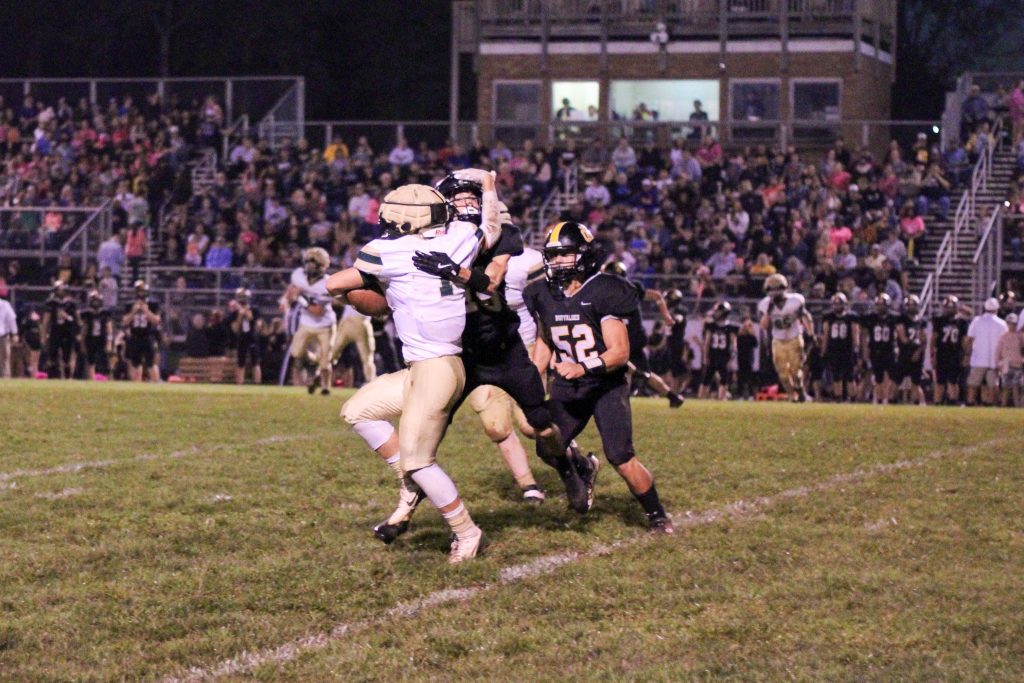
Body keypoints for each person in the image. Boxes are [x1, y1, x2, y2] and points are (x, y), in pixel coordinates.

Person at [328, 177, 502, 563]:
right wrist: (489, 188)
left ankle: (467, 532)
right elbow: (491, 228)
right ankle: (411, 485)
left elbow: (334, 284)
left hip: (435, 369)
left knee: (420, 460)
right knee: (357, 411)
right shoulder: (458, 235)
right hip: (431, 368)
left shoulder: (386, 252)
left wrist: (373, 294)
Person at [525, 221, 674, 534]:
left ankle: (657, 516)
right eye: (554, 255)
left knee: (621, 457)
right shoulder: (542, 294)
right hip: (569, 386)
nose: (558, 261)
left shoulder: (605, 289)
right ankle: (582, 466)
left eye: (565, 253)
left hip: (606, 384)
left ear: (583, 254)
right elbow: (545, 341)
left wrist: (583, 366)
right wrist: (527, 375)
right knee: (546, 445)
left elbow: (620, 351)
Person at [602, 262, 685, 407]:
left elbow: (657, 296)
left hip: (625, 340)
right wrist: (666, 316)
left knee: (617, 371)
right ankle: (672, 396)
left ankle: (622, 398)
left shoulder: (610, 293)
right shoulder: (631, 288)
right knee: (643, 373)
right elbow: (657, 296)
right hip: (631, 338)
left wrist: (666, 317)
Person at [282, 247, 337, 395]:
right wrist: (285, 299)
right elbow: (291, 291)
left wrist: (300, 297)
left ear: (322, 266)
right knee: (296, 353)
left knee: (325, 360)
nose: (309, 267)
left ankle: (326, 387)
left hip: (325, 325)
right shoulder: (298, 275)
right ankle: (313, 362)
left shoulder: (328, 283)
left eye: (314, 264)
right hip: (305, 323)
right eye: (308, 263)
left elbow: (317, 311)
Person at [757, 273, 814, 402]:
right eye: (772, 289)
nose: (775, 292)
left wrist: (811, 334)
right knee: (782, 373)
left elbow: (805, 317)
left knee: (795, 371)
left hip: (794, 337)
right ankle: (791, 395)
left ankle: (800, 389)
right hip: (777, 340)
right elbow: (763, 326)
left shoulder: (795, 301)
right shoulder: (765, 304)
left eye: (778, 288)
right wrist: (769, 311)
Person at [964, 297, 1008, 406]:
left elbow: (969, 339)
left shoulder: (977, 321)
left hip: (978, 359)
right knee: (993, 385)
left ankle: (970, 404)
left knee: (973, 384)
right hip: (994, 360)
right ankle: (990, 406)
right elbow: (1005, 343)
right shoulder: (1002, 323)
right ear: (997, 308)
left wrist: (966, 354)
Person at [820, 292, 860, 402]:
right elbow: (825, 334)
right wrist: (823, 351)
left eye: (839, 304)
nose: (837, 306)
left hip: (847, 350)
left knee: (850, 376)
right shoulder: (828, 317)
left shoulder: (851, 317)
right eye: (835, 304)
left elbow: (855, 333)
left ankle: (852, 398)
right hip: (833, 349)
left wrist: (856, 348)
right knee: (836, 376)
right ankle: (839, 398)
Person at [930, 295, 969, 406]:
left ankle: (952, 402)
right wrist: (932, 355)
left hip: (955, 354)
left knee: (953, 381)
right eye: (948, 307)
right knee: (940, 381)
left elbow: (964, 341)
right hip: (942, 353)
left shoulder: (962, 322)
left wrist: (966, 355)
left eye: (952, 307)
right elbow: (934, 339)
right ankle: (937, 402)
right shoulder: (939, 320)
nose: (949, 309)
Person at [861, 293, 898, 405]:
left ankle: (888, 397)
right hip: (875, 349)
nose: (880, 307)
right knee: (878, 376)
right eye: (879, 304)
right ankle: (879, 398)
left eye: (882, 304)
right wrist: (865, 350)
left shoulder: (894, 317)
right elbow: (865, 334)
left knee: (891, 375)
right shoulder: (871, 318)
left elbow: (897, 333)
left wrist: (897, 347)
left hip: (889, 349)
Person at [329, 301, 376, 388]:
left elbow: (336, 300)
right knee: (367, 358)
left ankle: (319, 374)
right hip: (356, 321)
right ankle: (370, 382)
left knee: (332, 353)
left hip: (353, 321)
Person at [122, 280, 161, 382]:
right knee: (135, 364)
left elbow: (156, 320)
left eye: (143, 291)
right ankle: (137, 386)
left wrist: (146, 310)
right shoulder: (130, 304)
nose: (141, 293)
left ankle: (156, 385)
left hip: (148, 336)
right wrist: (134, 311)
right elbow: (125, 322)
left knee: (151, 363)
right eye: (139, 291)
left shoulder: (153, 303)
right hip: (135, 336)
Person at [41, 281, 80, 379]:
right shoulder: (51, 302)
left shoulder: (71, 303)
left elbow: (77, 320)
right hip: (55, 331)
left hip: (68, 331)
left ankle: (68, 378)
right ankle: (51, 377)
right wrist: (43, 335)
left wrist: (68, 318)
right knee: (52, 357)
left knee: (67, 358)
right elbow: (46, 320)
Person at [894, 294, 927, 406]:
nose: (912, 308)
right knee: (896, 381)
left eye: (914, 305)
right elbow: (903, 338)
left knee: (916, 382)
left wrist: (918, 351)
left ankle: (917, 404)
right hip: (904, 353)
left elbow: (924, 339)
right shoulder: (901, 319)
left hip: (917, 354)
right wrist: (914, 347)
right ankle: (889, 402)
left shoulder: (921, 320)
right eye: (910, 305)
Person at [699, 301, 737, 400]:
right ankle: (701, 398)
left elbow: (734, 344)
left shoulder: (730, 327)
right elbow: (707, 342)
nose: (715, 313)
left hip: (724, 356)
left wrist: (732, 358)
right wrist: (705, 357)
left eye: (718, 311)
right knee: (706, 379)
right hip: (714, 355)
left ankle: (721, 398)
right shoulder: (711, 325)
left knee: (723, 379)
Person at [228, 288, 263, 385]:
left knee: (255, 362)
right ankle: (240, 383)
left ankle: (257, 383)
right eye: (240, 297)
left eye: (243, 297)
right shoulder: (235, 313)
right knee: (240, 362)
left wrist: (249, 316)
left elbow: (259, 326)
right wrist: (240, 316)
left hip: (252, 337)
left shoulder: (254, 310)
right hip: (241, 338)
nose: (242, 299)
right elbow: (234, 329)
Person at [79, 290, 112, 380]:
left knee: (105, 360)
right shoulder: (87, 313)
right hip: (90, 338)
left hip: (102, 338)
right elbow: (84, 328)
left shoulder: (104, 312)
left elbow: (109, 328)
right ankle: (92, 379)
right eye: (93, 300)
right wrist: (82, 342)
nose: (95, 302)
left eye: (97, 300)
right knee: (90, 361)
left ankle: (108, 379)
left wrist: (109, 341)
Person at [996, 313, 1023, 407]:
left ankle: (1017, 406)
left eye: (1014, 324)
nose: (1012, 326)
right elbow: (998, 351)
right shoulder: (1003, 337)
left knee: (1016, 387)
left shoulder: (1021, 337)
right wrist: (998, 364)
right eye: (1010, 323)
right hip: (1006, 364)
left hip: (1017, 364)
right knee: (1005, 387)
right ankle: (1003, 405)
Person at [0, 291, 16, 378]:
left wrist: (14, 333)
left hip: (3, 335)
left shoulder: (5, 305)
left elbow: (12, 319)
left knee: (4, 358)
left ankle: (5, 378)